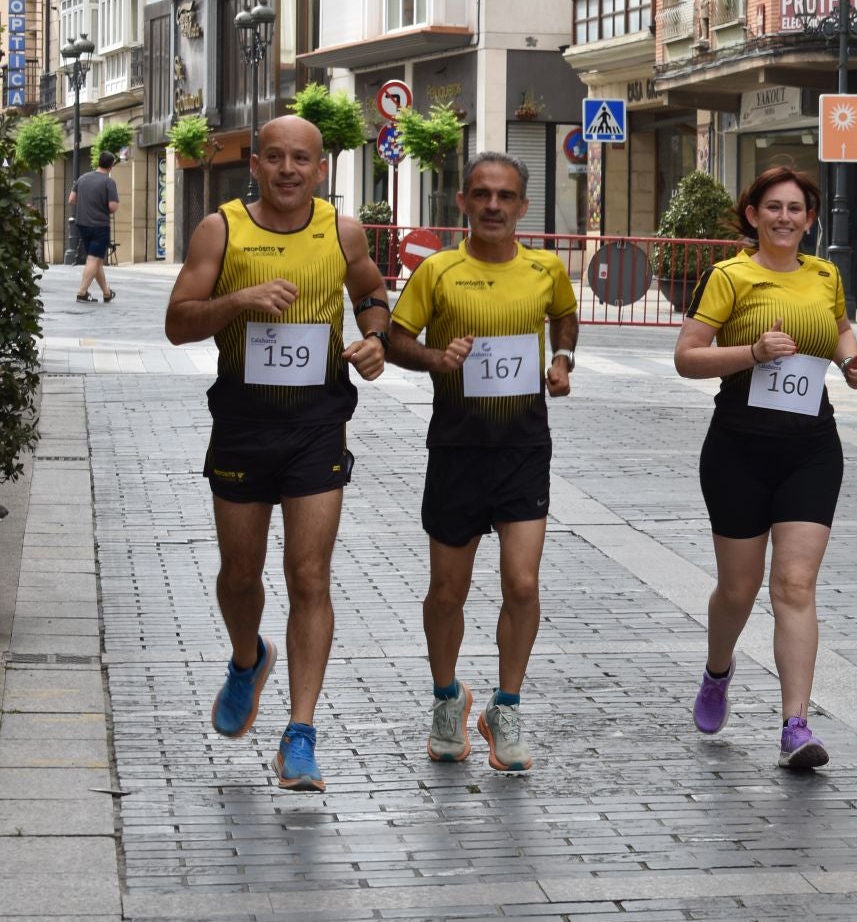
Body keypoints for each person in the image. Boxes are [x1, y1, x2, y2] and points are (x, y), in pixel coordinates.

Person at [164, 115, 391, 792]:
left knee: (309, 575)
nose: (288, 169)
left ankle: (300, 733)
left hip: (318, 419)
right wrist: (238, 299)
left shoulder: (342, 230)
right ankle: (246, 658)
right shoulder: (221, 229)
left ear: (320, 169)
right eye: (275, 157)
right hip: (241, 418)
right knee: (240, 574)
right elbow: (178, 322)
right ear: (255, 165)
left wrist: (375, 337)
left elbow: (372, 293)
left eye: (302, 158)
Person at [672, 167, 857, 769]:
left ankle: (796, 725)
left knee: (795, 585)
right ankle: (717, 670)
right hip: (738, 446)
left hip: (811, 445)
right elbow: (687, 357)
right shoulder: (730, 276)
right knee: (738, 588)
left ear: (811, 219)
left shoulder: (826, 275)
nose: (785, 218)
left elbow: (837, 330)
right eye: (774, 208)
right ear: (753, 214)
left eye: (797, 209)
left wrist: (854, 363)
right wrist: (753, 353)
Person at [386, 153, 579, 774]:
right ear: (463, 203)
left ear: (523, 207)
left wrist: (563, 360)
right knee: (448, 590)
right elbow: (396, 339)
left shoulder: (545, 268)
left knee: (523, 584)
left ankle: (508, 705)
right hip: (457, 449)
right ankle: (448, 698)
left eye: (505, 196)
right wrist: (436, 358)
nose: (493, 205)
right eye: (481, 194)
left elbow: (564, 317)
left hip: (524, 447)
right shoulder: (438, 271)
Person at [70, 151, 120, 303]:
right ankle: (82, 292)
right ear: (111, 166)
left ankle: (106, 293)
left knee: (95, 259)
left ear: (98, 162)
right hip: (99, 225)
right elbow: (113, 207)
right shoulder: (108, 182)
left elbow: (71, 199)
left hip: (82, 224)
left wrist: (87, 204)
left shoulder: (82, 178)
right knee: (94, 259)